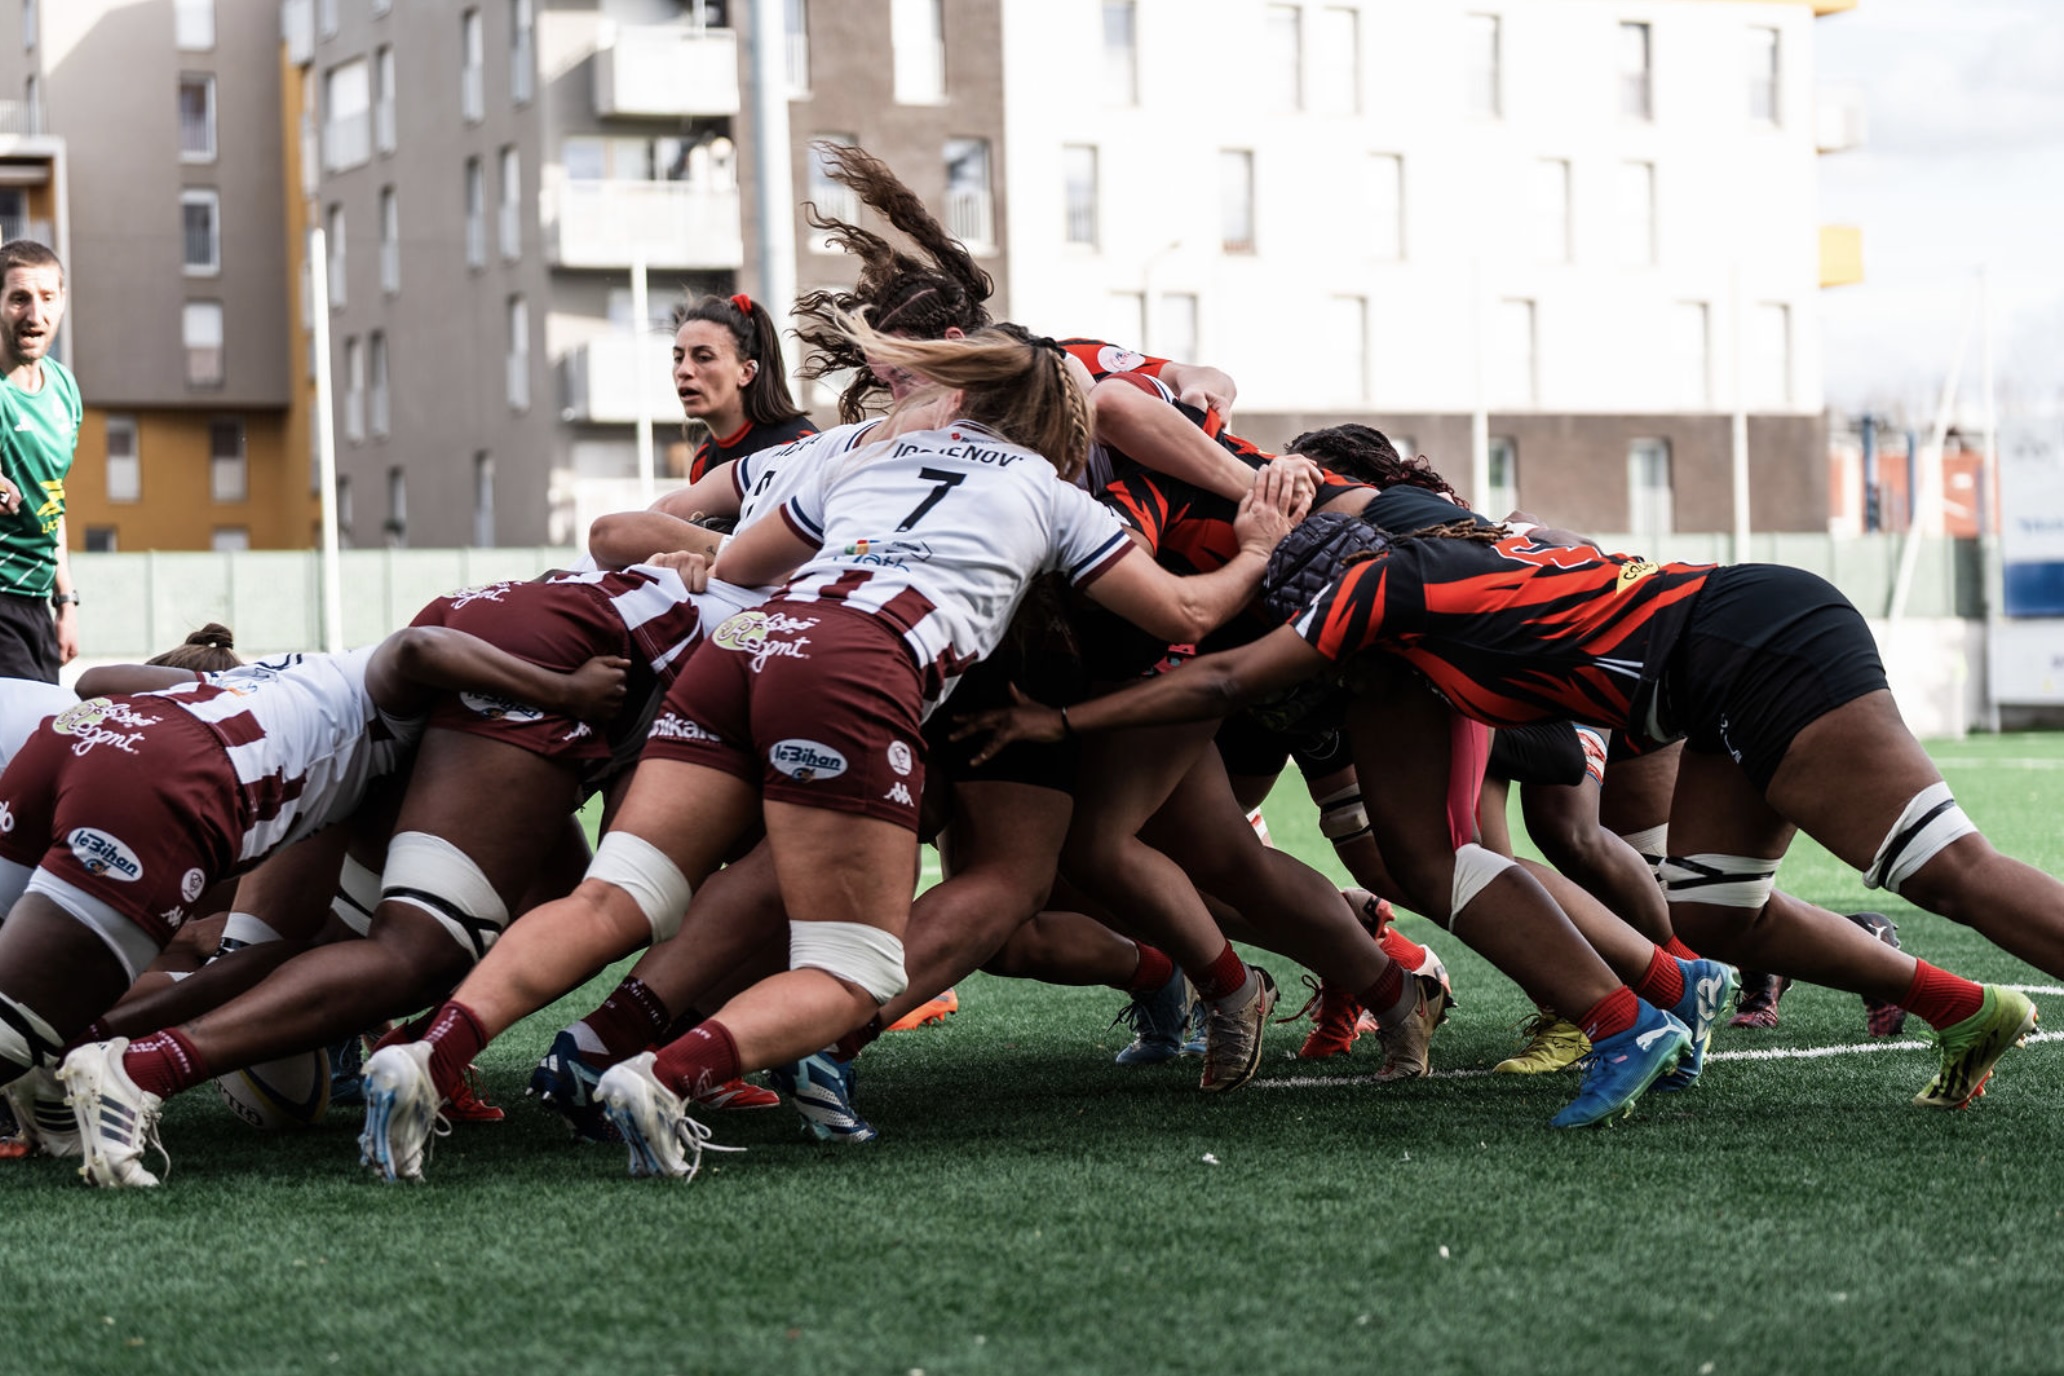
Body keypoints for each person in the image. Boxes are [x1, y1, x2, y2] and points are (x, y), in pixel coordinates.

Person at [356, 320, 1297, 1182]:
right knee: (858, 970)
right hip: (855, 669)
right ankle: (661, 1077)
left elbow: (734, 564)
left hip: (742, 649)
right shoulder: (1051, 495)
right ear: (1064, 434)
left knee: (614, 899)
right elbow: (1186, 613)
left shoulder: (873, 453)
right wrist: (1256, 548)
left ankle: (429, 1053)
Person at [959, 516, 2045, 1115]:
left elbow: (1227, 678)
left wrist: (1060, 722)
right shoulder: (1428, 581)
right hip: (1709, 672)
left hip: (1752, 645)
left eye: (1299, 621)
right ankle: (1965, 1006)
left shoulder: (1375, 587)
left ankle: (1636, 1018)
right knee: (1716, 916)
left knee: (1947, 870)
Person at [30, 629, 626, 1186]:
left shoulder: (299, 705)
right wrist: (565, 692)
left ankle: (74, 1046)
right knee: (278, 1002)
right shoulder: (325, 709)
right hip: (240, 813)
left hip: (283, 812)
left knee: (342, 968)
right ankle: (74, 1049)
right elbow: (416, 648)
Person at [0, 241, 79, 683]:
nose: (35, 315)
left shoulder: (64, 389)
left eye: (47, 298)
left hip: (37, 607)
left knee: (44, 721)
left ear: (62, 301)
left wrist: (65, 601)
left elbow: (53, 500)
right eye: (19, 298)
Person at [676, 293, 815, 483]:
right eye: (678, 358)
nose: (683, 370)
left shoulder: (797, 447)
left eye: (704, 357)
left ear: (746, 372)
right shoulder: (704, 457)